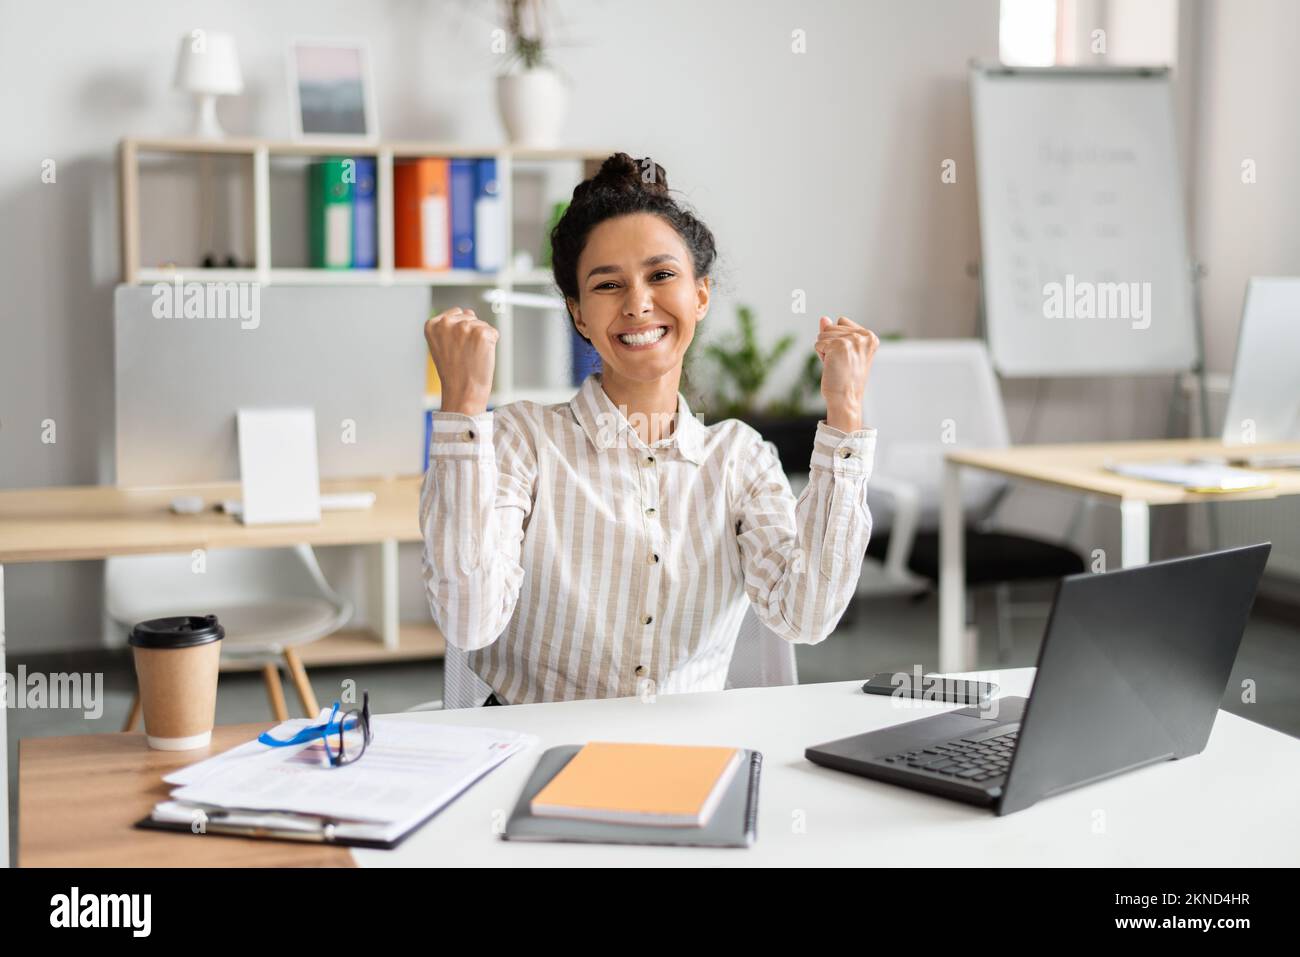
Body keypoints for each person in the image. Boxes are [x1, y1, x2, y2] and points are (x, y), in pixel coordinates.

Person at [421, 151, 879, 705]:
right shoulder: (522, 440)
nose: (638, 304)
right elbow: (469, 622)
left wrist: (845, 414)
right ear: (579, 314)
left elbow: (805, 617)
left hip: (686, 759)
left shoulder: (740, 458)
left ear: (701, 295)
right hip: (538, 748)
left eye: (661, 275)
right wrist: (465, 408)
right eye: (608, 285)